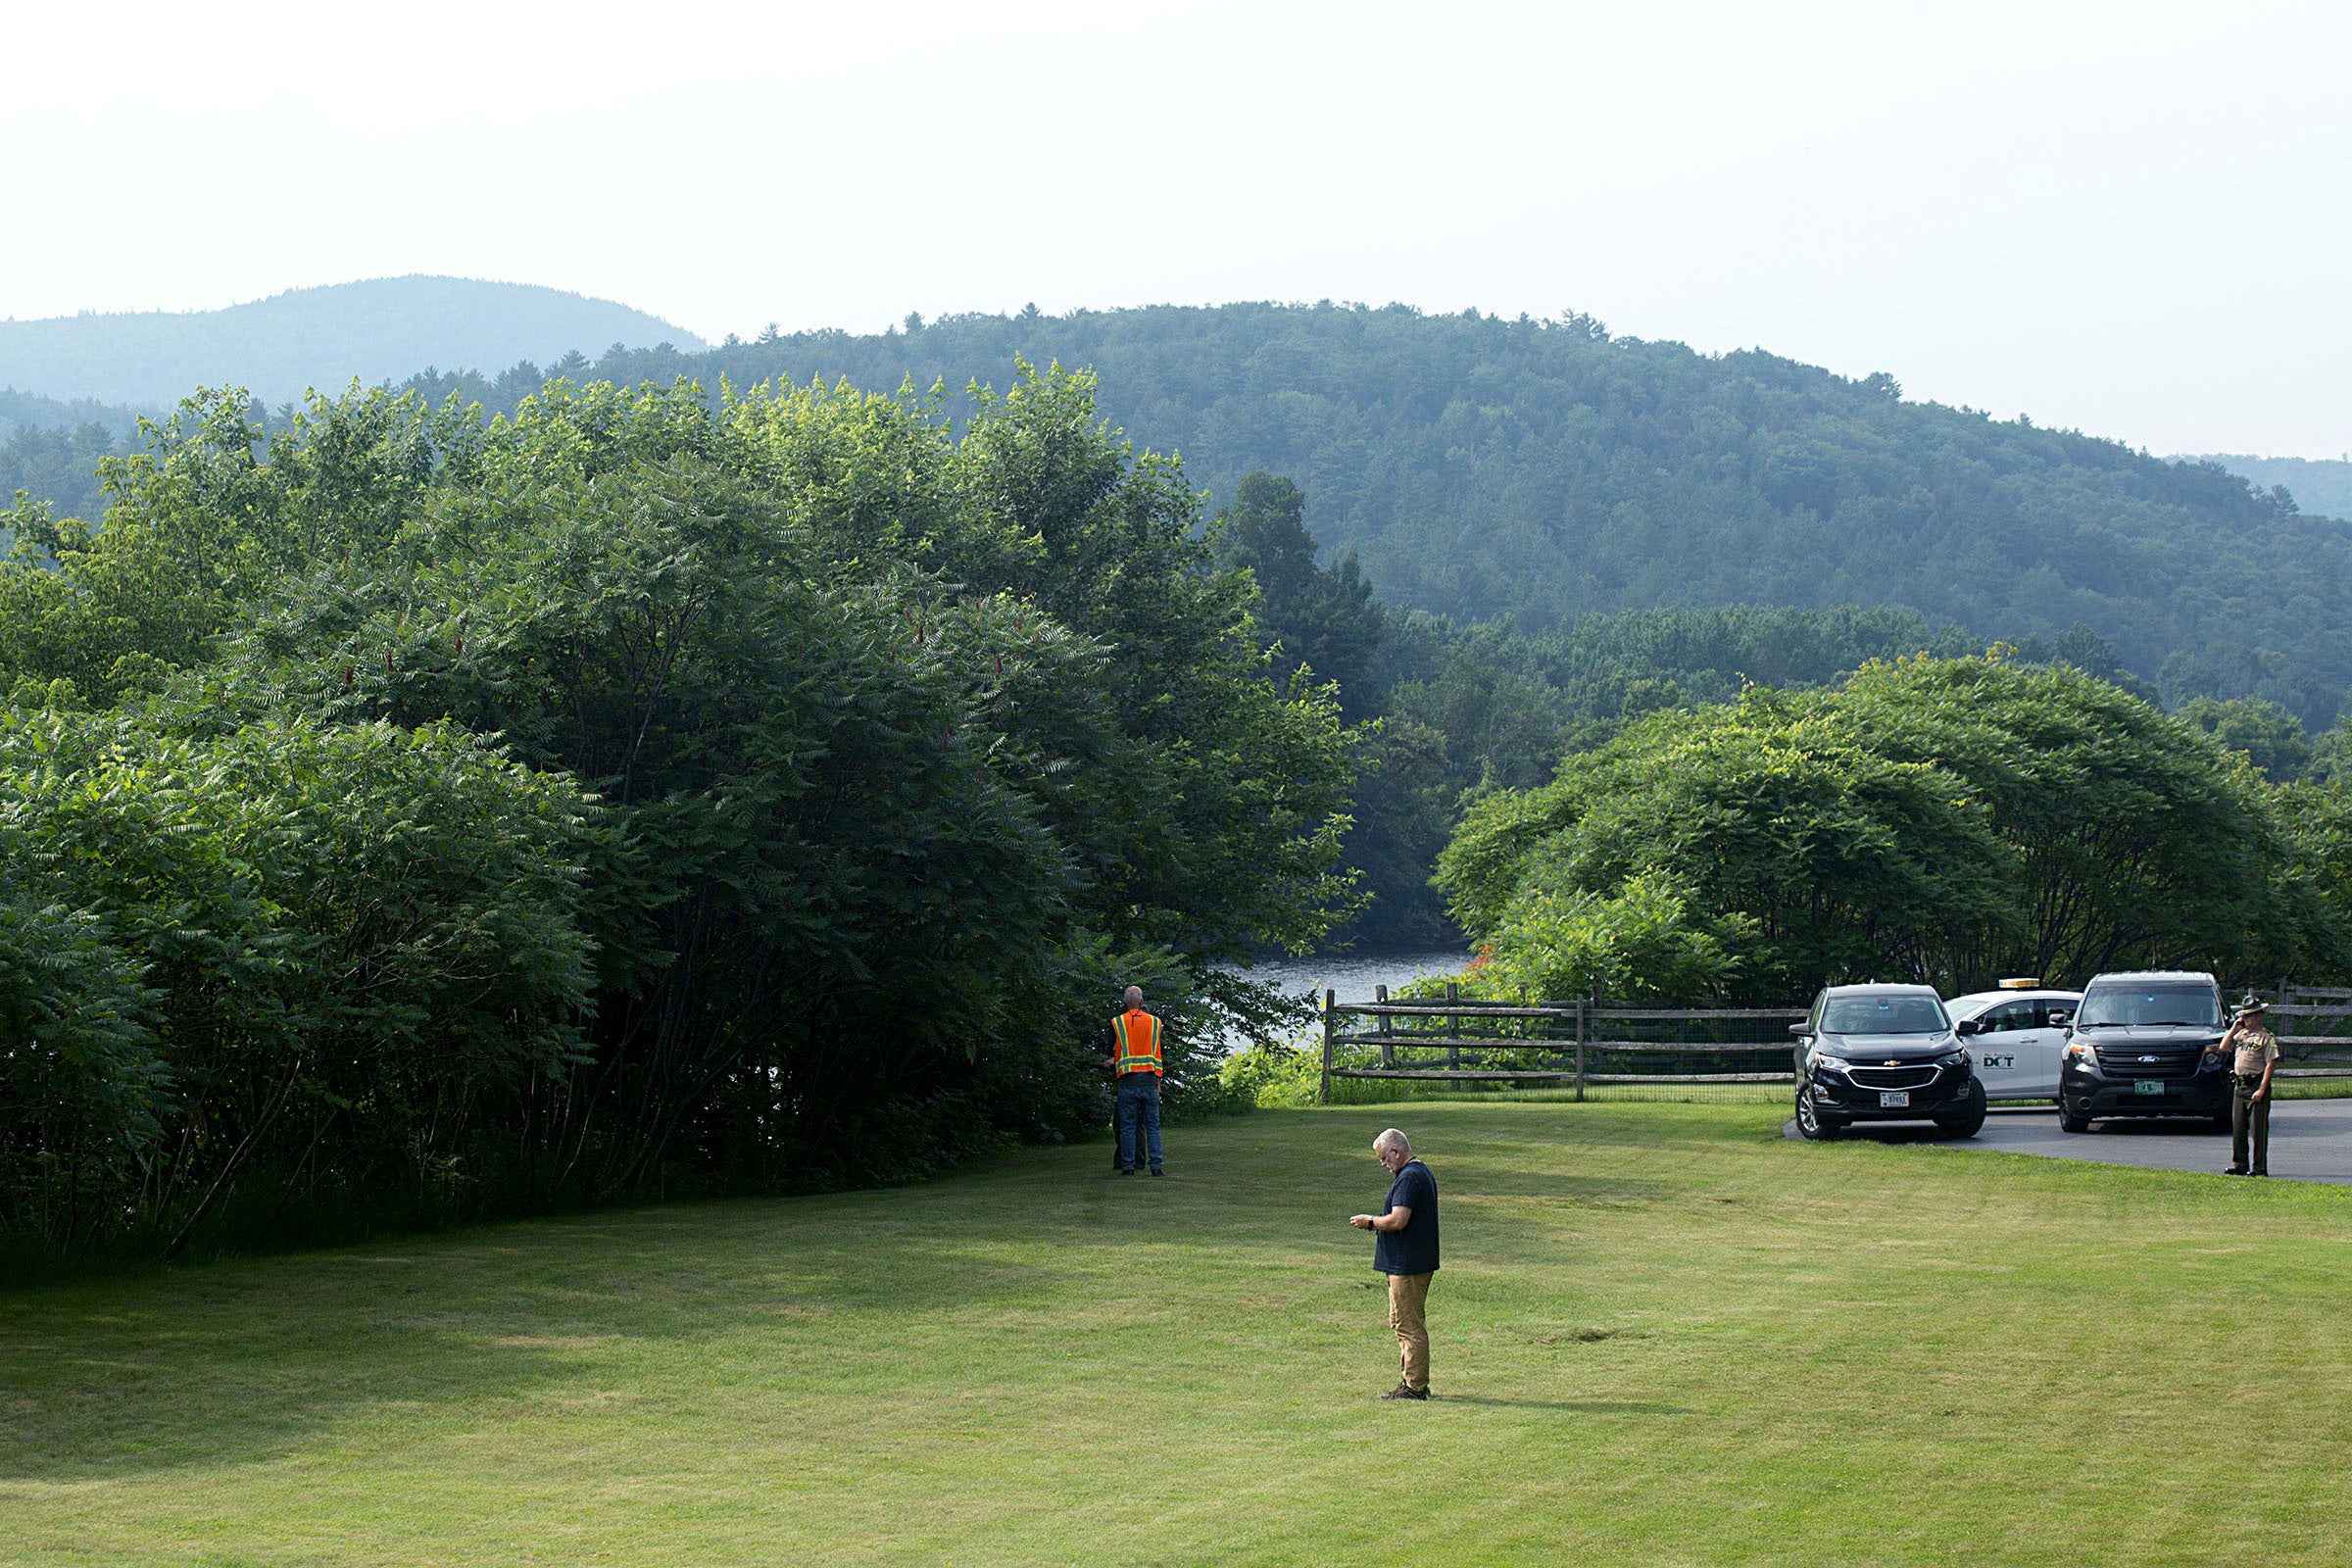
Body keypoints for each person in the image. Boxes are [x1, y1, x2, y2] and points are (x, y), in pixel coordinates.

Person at [1349, 1127, 1440, 1399]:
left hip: (1408, 1264)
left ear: (1396, 1151)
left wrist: (1370, 1222)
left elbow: (1398, 1219)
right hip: (1410, 1262)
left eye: (1383, 1158)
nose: (1383, 1164)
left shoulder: (1410, 1178)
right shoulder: (1419, 1173)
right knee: (1403, 1323)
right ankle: (1411, 1381)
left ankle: (1415, 1387)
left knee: (1409, 1325)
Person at [1103, 985, 1164, 1176]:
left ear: (1124, 1002)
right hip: (1150, 1080)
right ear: (1141, 1001)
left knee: (1127, 1127)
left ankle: (1128, 1167)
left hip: (1128, 1081)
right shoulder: (1155, 1022)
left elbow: (1113, 1049)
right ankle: (1156, 1166)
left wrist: (1112, 1060)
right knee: (1152, 1126)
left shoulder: (1117, 1022)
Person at [2220, 993, 2281, 1177]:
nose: (2245, 1019)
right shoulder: (2241, 1035)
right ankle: (2239, 1164)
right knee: (2238, 1128)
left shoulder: (2266, 1037)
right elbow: (2223, 1047)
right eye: (2244, 1016)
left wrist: (2262, 1089)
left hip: (2255, 1085)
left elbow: (2271, 1063)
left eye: (2249, 1016)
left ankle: (2259, 1168)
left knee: (2258, 1130)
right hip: (2240, 1086)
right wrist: (2233, 1028)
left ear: (2258, 1016)